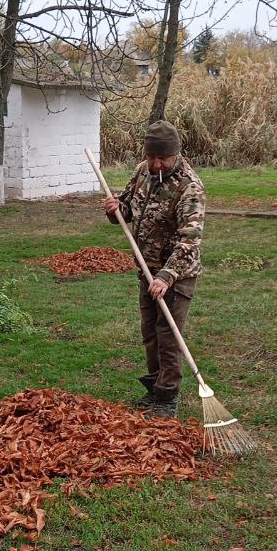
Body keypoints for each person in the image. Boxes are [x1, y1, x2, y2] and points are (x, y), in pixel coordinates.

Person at [104, 120, 206, 417]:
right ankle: (154, 389)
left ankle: (168, 397)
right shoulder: (142, 171)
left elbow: (190, 239)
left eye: (163, 158)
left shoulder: (190, 188)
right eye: (151, 157)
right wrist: (115, 210)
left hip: (177, 275)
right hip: (146, 268)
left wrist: (167, 275)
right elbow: (126, 210)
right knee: (150, 332)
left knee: (168, 335)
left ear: (176, 154)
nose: (156, 163)